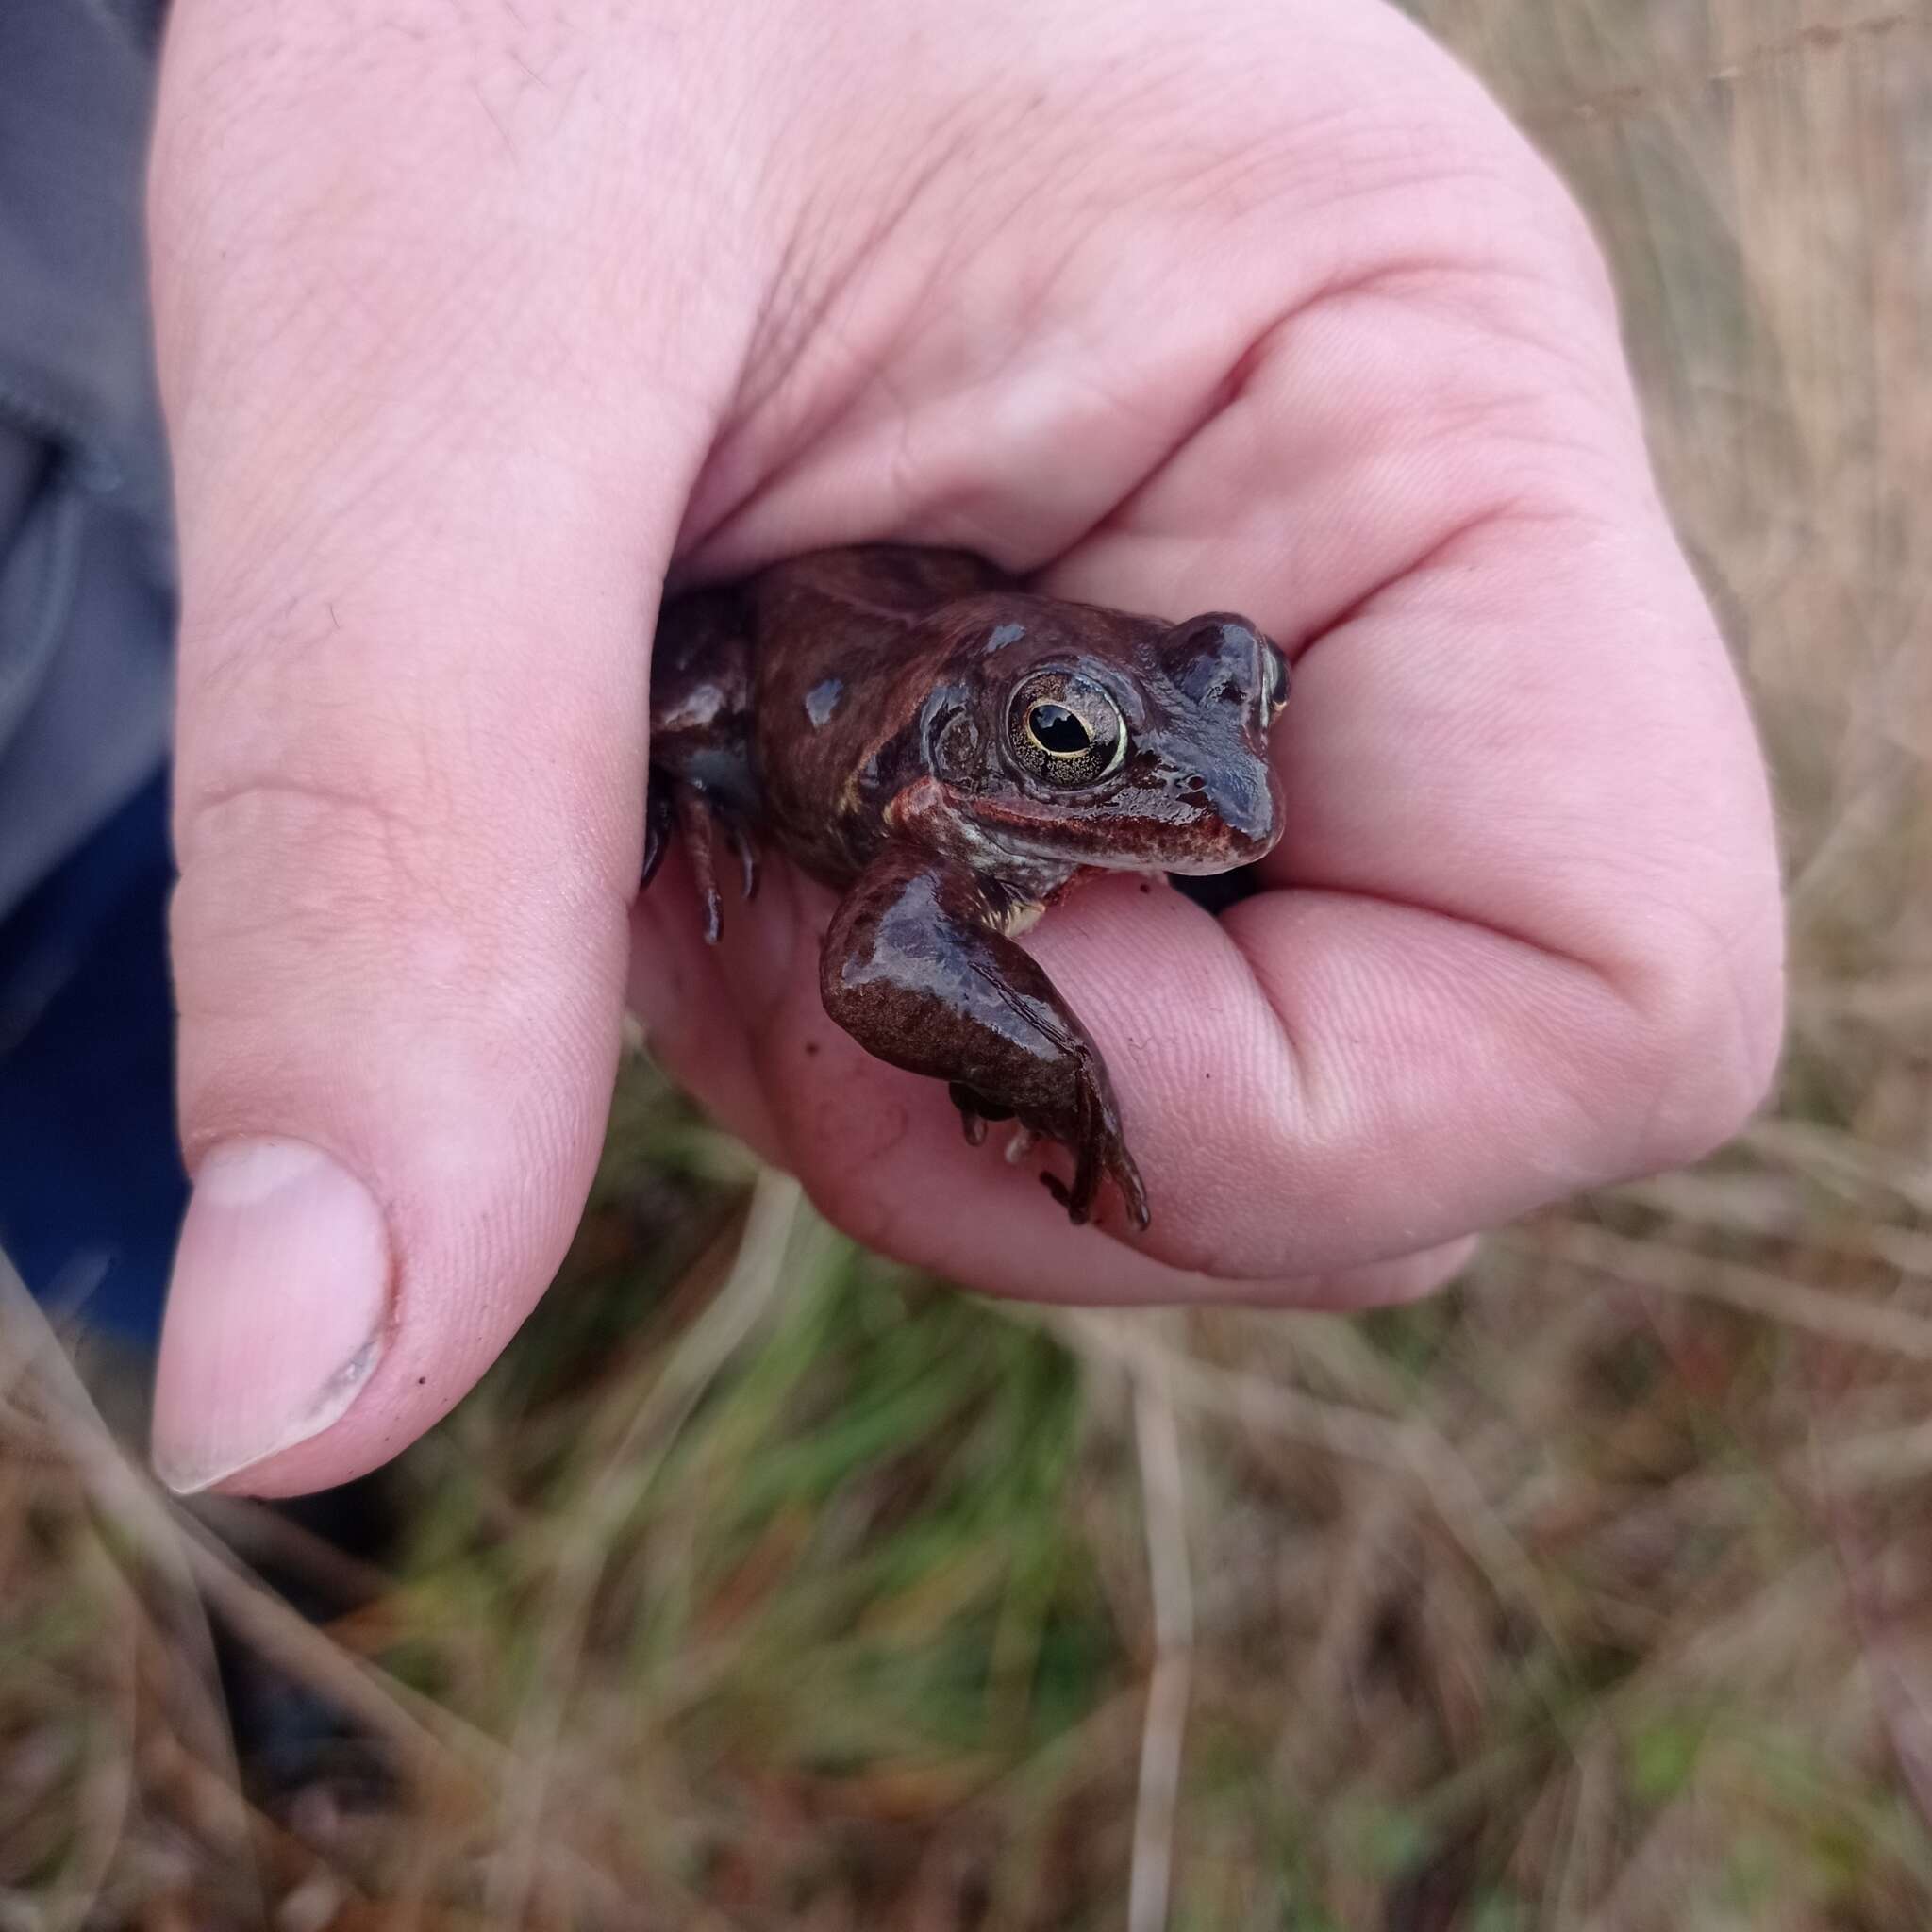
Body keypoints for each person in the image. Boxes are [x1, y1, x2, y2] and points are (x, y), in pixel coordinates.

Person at [2, 0, 1785, 1502]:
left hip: (99, 664)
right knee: (228, 1203)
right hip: (743, 662)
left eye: (1240, 693)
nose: (1217, 786)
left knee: (151, 1189)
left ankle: (322, 1519)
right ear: (1005, 751)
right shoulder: (942, 828)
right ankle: (272, 1541)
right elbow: (879, 956)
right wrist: (1060, 1066)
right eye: (1080, 749)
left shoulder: (1112, 767)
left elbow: (1124, 778)